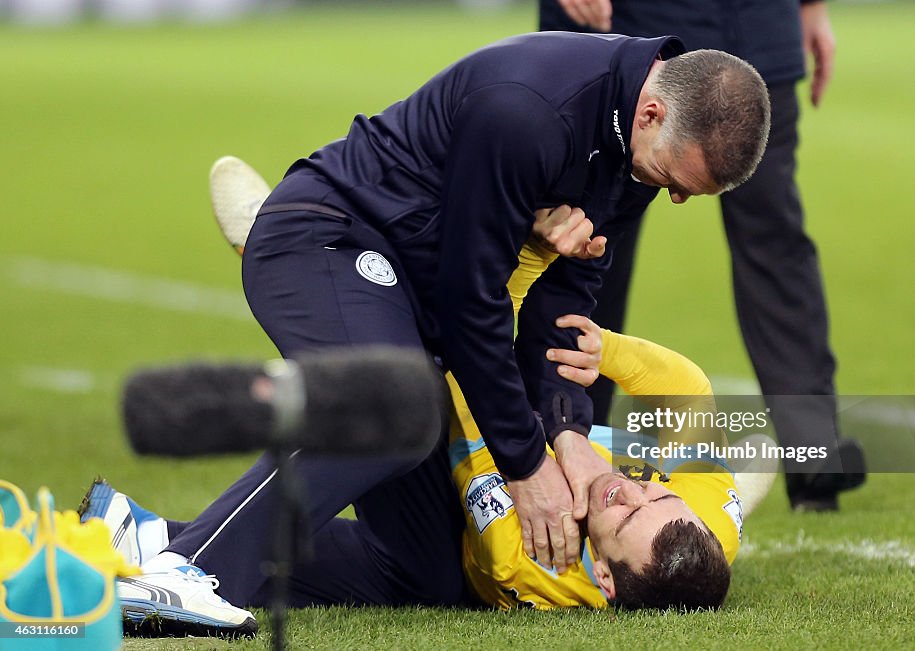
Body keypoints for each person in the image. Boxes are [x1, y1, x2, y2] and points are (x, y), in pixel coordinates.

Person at [97, 34, 771, 635]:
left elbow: (564, 306)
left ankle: (142, 535)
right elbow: (469, 305)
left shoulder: (637, 147)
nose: (673, 198)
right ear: (654, 112)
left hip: (415, 293)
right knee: (395, 413)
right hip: (329, 238)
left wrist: (567, 433)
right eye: (675, 183)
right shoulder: (530, 112)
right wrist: (527, 462)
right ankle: (187, 570)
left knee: (431, 569)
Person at [538, 0, 866, 511]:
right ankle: (565, 436)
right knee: (584, 237)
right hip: (628, 34)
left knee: (775, 237)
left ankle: (813, 453)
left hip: (757, 26)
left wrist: (811, 6)